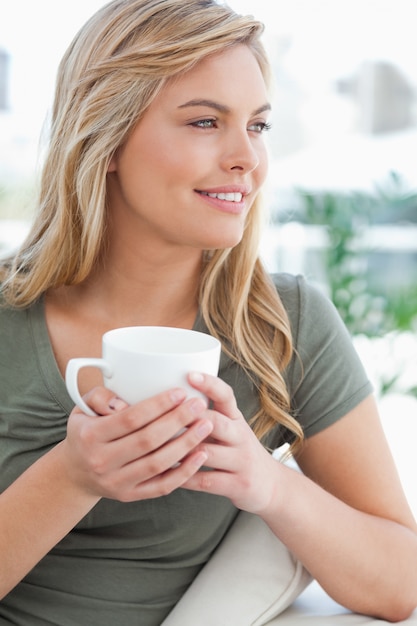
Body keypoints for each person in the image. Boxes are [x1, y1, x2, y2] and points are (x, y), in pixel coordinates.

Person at [0, 0, 416, 624]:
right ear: (104, 139)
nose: (246, 158)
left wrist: (267, 484)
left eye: (258, 125)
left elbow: (401, 581)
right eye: (203, 122)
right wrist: (74, 476)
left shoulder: (285, 323)